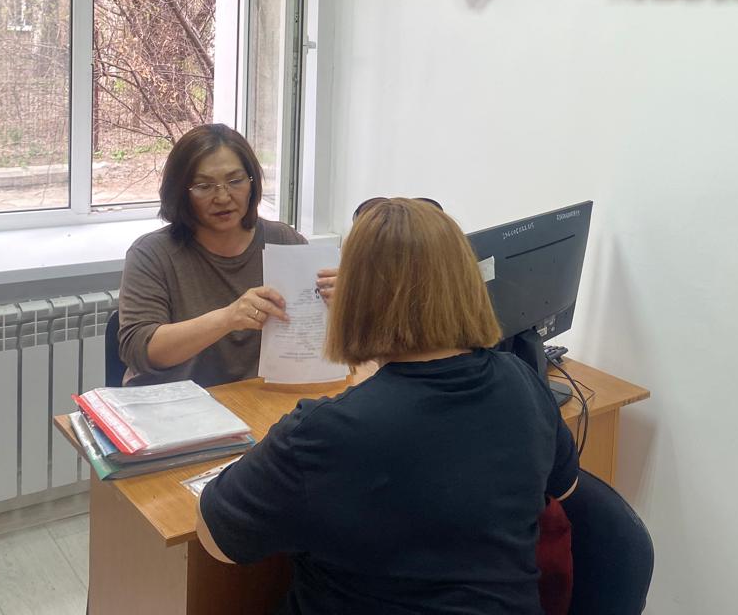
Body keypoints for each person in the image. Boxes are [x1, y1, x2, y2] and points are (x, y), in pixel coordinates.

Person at [195, 197, 579, 615]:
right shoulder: (521, 379)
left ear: (355, 296)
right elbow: (565, 487)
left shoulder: (324, 432)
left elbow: (217, 540)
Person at [117, 123, 336, 387]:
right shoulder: (152, 254)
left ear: (252, 183)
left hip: (260, 399)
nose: (223, 197)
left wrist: (340, 305)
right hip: (176, 403)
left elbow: (319, 339)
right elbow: (140, 350)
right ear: (181, 192)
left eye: (235, 181)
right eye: (204, 186)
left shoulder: (284, 241)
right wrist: (228, 318)